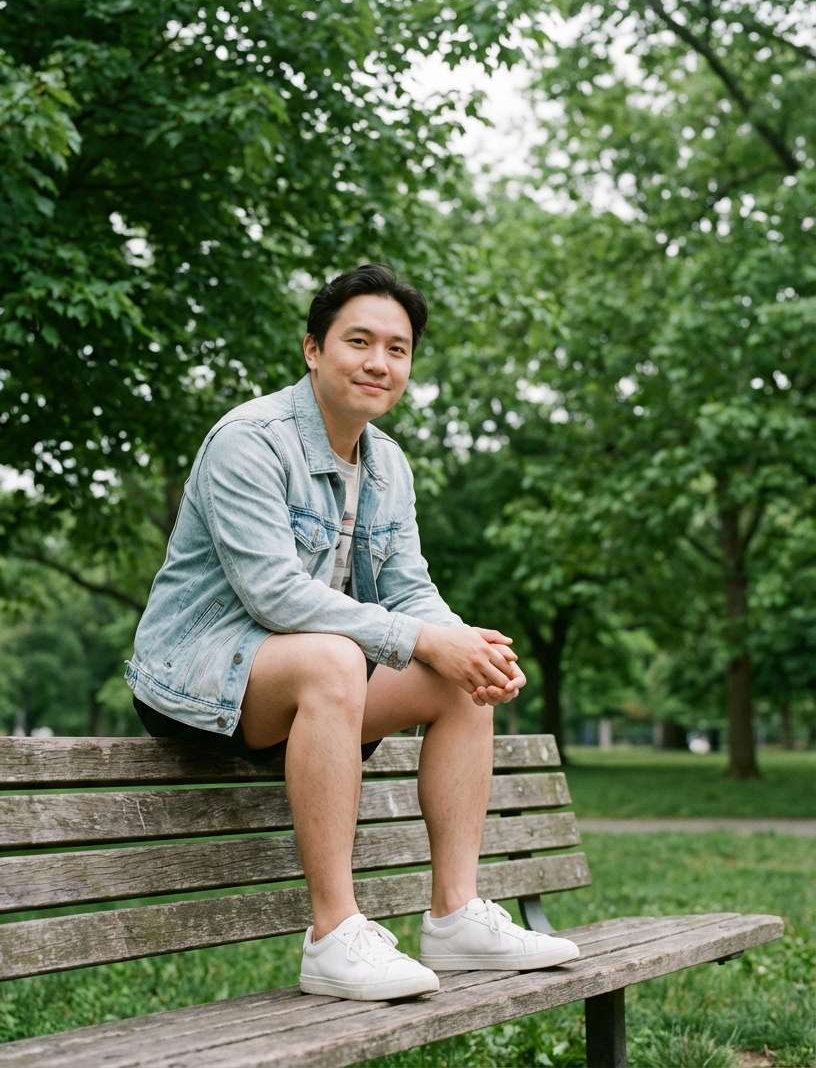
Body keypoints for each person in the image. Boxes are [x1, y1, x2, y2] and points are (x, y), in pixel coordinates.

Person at [125, 263, 579, 1000]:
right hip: (198, 675)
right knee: (342, 658)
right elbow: (273, 594)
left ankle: (456, 916)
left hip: (307, 681)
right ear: (313, 349)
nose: (378, 362)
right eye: (359, 341)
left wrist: (466, 645)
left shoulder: (388, 464)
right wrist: (419, 639)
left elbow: (409, 589)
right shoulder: (251, 440)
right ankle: (334, 935)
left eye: (396, 349)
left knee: (460, 677)